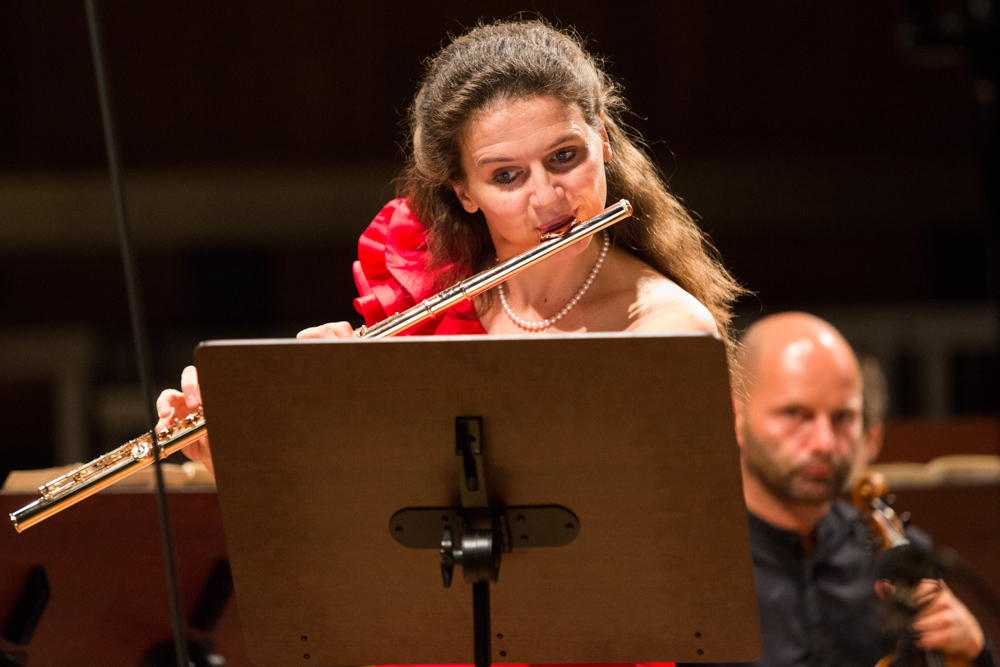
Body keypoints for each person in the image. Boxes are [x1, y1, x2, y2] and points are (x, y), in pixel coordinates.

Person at [155, 19, 744, 479]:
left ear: (604, 140)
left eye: (564, 157)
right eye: (506, 176)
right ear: (463, 191)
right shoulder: (432, 278)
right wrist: (266, 449)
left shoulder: (666, 331)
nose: (547, 196)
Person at [684, 311, 996, 667]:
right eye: (795, 414)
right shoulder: (687, 568)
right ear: (734, 416)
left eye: (842, 417)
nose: (824, 442)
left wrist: (975, 651)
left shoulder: (897, 559)